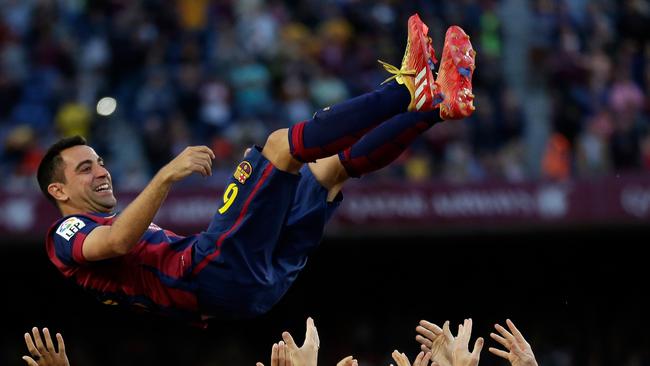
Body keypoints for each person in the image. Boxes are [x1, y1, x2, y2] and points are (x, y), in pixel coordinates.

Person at [37, 14, 475, 324]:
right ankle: (407, 90)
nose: (102, 171)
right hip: (210, 274)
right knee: (279, 147)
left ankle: (435, 105)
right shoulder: (66, 233)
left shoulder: (91, 229)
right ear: (58, 190)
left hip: (249, 291)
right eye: (85, 168)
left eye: (100, 161)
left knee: (328, 170)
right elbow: (116, 241)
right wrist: (167, 174)